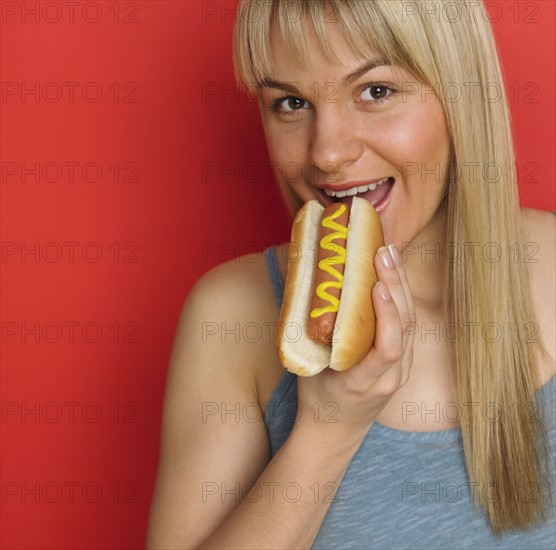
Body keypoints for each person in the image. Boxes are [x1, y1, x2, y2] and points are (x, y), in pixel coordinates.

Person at [146, 1, 555, 548]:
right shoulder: (232, 315)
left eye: (376, 91)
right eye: (290, 102)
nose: (328, 154)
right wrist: (328, 431)